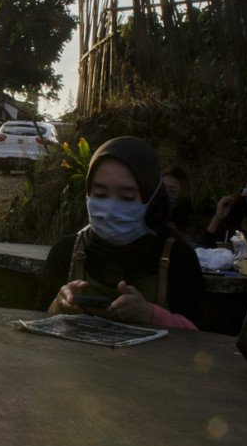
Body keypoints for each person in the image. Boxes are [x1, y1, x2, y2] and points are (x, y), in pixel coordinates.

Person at [37, 136, 205, 330]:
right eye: (100, 195)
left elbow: (201, 342)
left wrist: (152, 316)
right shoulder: (66, 252)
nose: (110, 208)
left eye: (126, 197)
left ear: (152, 199)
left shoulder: (179, 257)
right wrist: (58, 306)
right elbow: (37, 329)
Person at [162, 165, 200, 244]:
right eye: (162, 187)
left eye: (172, 190)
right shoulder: (146, 211)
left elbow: (192, 242)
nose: (166, 193)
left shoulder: (189, 219)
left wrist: (172, 231)